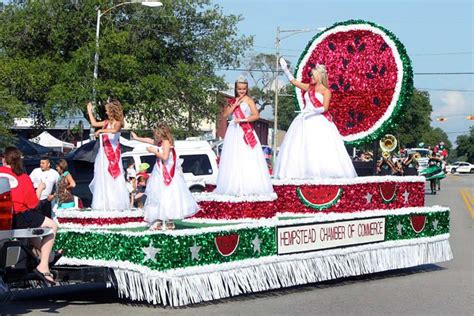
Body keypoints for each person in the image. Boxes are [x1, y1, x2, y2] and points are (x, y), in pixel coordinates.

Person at [274, 58, 357, 180]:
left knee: (320, 146)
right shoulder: (309, 88)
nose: (311, 77)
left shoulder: (326, 91)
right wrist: (286, 70)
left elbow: (325, 108)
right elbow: (294, 82)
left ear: (319, 76)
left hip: (318, 120)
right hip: (303, 120)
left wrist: (312, 111)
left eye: (313, 75)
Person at [0, 147, 60, 285]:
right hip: (18, 217)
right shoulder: (23, 177)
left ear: (4, 159)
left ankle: (48, 255)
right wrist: (39, 189)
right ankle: (43, 265)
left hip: (4, 218)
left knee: (30, 231)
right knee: (51, 226)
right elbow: (34, 204)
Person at [214, 76, 274, 196]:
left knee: (247, 156)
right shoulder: (232, 101)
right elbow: (225, 115)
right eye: (239, 89)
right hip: (233, 131)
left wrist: (243, 119)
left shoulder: (249, 100)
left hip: (245, 130)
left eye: (244, 89)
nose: (241, 91)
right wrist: (235, 104)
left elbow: (256, 115)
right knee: (233, 158)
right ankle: (233, 185)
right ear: (236, 89)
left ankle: (249, 185)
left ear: (247, 89)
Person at [131, 123, 199, 230]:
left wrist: (154, 151)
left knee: (168, 196)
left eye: (155, 132)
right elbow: (149, 140)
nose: (154, 135)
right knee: (158, 196)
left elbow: (165, 157)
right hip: (159, 173)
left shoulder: (166, 142)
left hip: (168, 174)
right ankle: (158, 220)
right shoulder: (160, 142)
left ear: (160, 132)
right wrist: (136, 138)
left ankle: (168, 221)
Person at [87, 99, 130, 211]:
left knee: (114, 176)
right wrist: (89, 110)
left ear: (112, 111)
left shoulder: (118, 122)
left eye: (107, 110)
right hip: (104, 154)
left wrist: (101, 131)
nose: (106, 113)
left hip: (113, 154)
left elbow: (114, 130)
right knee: (103, 176)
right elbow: (94, 123)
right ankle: (103, 203)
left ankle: (116, 203)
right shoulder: (106, 122)